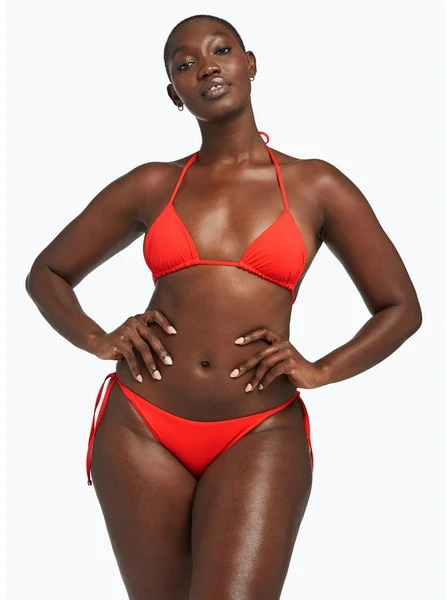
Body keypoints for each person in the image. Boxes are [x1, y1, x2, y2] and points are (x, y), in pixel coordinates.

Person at [25, 13, 422, 600]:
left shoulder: (316, 185)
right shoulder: (152, 184)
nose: (206, 67)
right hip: (141, 427)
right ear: (174, 94)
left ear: (249, 63)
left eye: (220, 50)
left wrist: (321, 370)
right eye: (185, 64)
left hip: (259, 430)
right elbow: (48, 273)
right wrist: (97, 338)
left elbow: (400, 307)